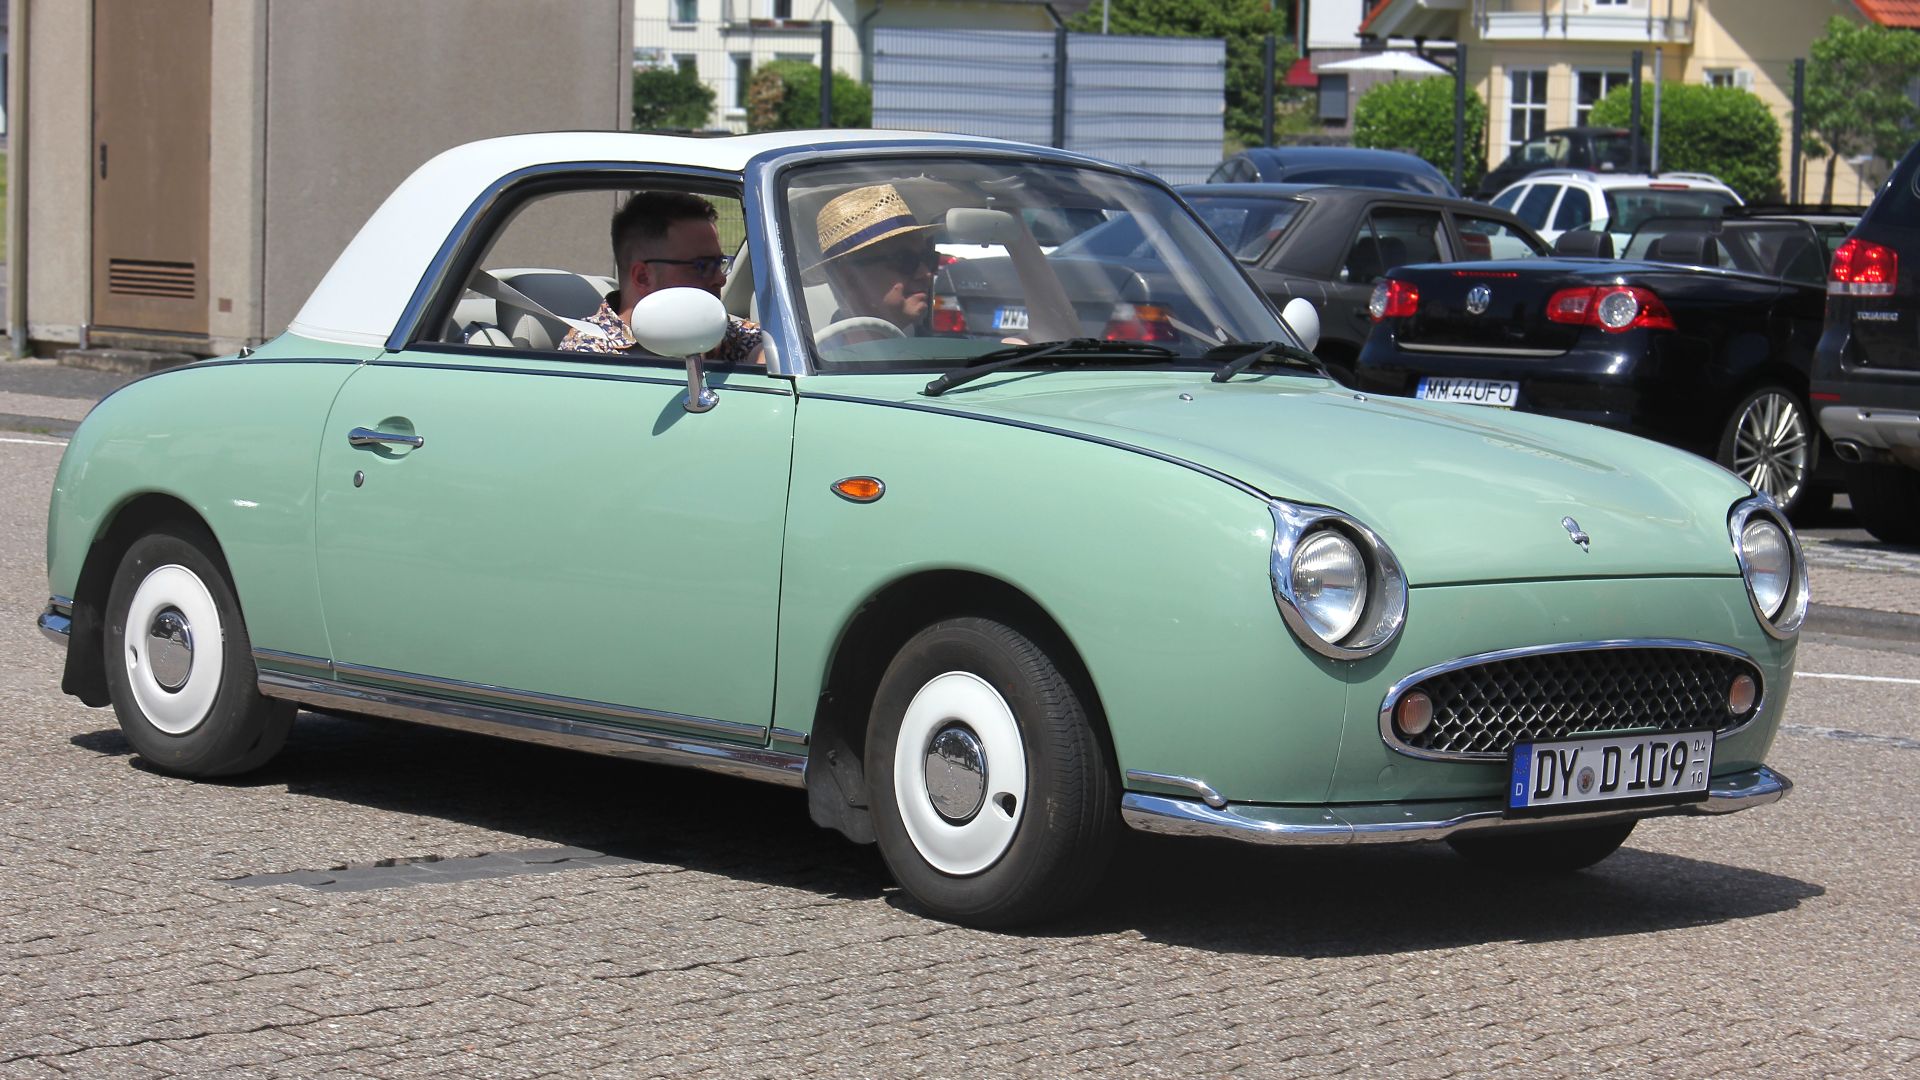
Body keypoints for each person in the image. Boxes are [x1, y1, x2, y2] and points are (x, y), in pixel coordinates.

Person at [559, 191, 763, 363]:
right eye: (703, 266)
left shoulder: (723, 332)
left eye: (719, 264)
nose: (721, 279)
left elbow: (773, 351)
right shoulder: (589, 356)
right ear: (643, 277)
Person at [809, 183, 942, 336]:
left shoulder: (949, 355)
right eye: (905, 260)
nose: (926, 273)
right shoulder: (807, 354)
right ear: (848, 278)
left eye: (928, 258)